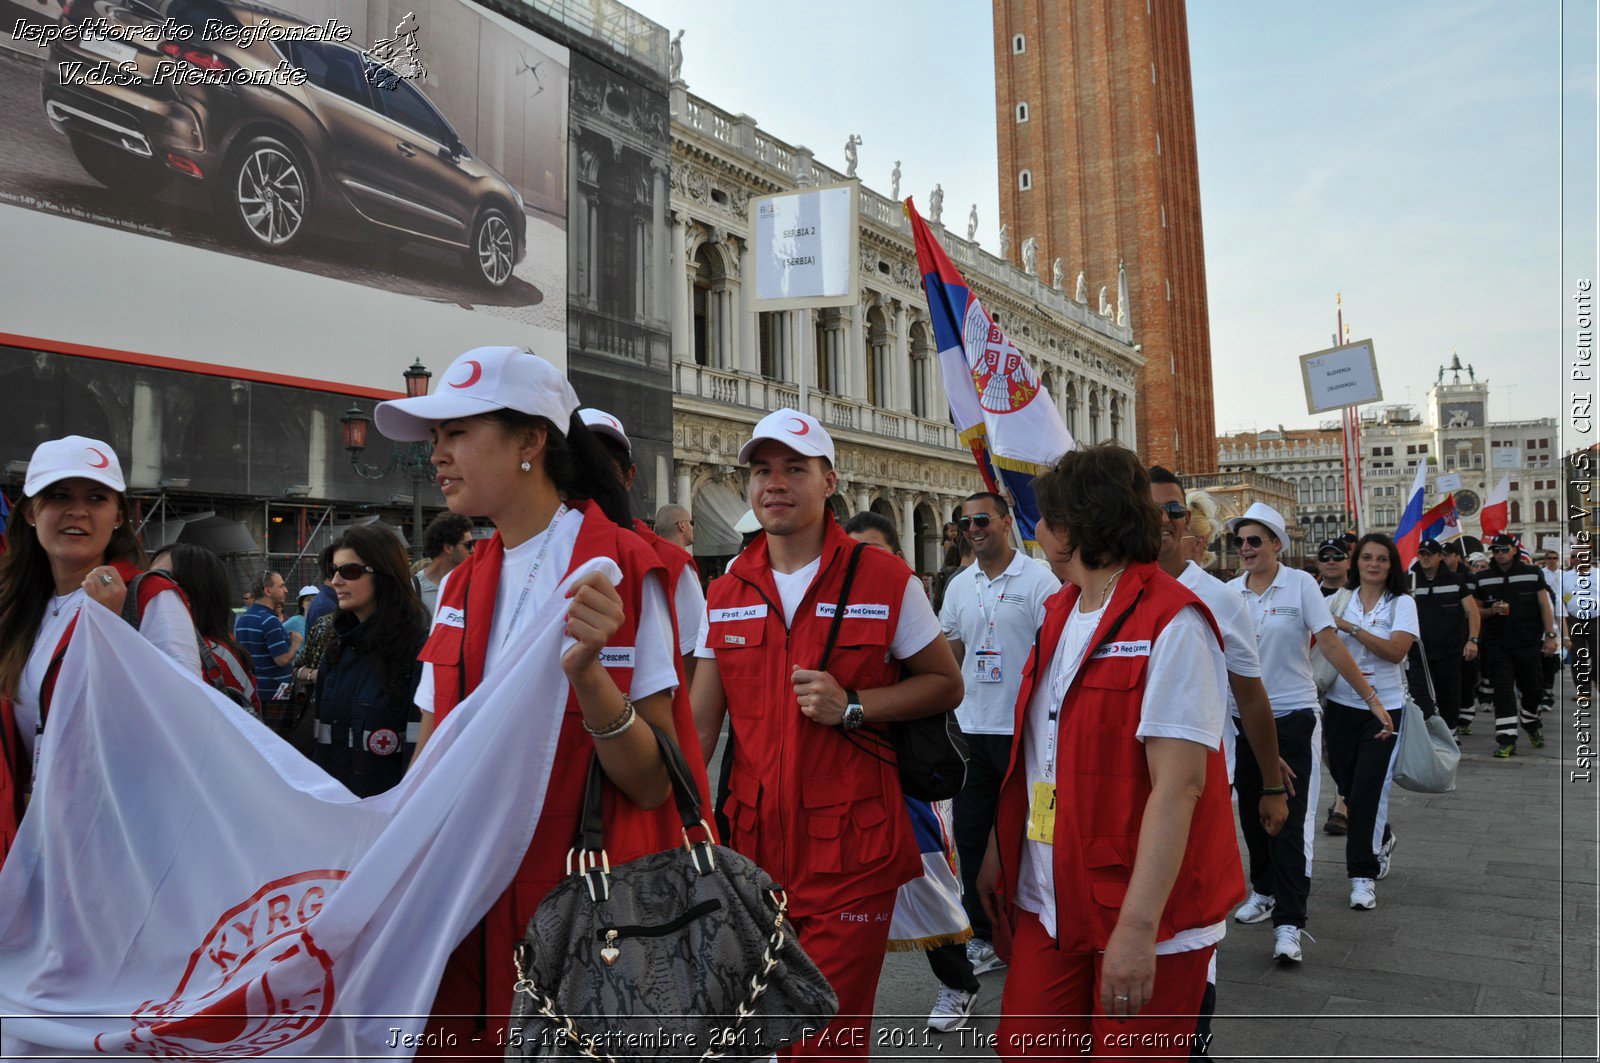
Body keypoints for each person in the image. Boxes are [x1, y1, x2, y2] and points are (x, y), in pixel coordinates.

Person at [374, 345, 688, 1049]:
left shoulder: (627, 567)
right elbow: (430, 757)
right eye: (435, 437)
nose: (438, 455)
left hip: (576, 921)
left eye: (457, 432)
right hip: (458, 911)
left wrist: (590, 676)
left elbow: (653, 781)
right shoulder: (458, 584)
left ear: (531, 440)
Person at [690, 408, 963, 1060]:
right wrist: (683, 827)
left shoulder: (885, 577)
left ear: (829, 479)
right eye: (761, 470)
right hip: (755, 856)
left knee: (823, 1039)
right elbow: (700, 727)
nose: (774, 483)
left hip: (854, 853)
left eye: (793, 468)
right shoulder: (726, 589)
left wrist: (855, 705)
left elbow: (944, 684)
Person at [976, 443, 1243, 1060]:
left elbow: (1180, 787)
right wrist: (1002, 846)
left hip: (1148, 912)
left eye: (1042, 518)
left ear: (1074, 529)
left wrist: (1137, 927)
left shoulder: (1174, 623)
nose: (1034, 531)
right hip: (1053, 897)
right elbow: (1043, 752)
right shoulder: (1059, 611)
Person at [0, 437, 203, 866]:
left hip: (115, 849)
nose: (77, 511)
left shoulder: (148, 598)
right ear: (32, 512)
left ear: (117, 518)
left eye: (96, 497)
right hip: (30, 844)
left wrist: (109, 633)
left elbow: (185, 731)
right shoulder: (17, 610)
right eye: (58, 496)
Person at [1224, 502, 1382, 963]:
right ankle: (1265, 890)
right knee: (1253, 816)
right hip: (1242, 721)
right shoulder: (1231, 592)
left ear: (1277, 543)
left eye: (1255, 540)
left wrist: (1370, 698)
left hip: (1292, 716)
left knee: (1290, 821)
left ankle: (1290, 923)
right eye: (1240, 542)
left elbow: (1329, 643)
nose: (1246, 548)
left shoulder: (1301, 585)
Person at [843, 510, 979, 1033]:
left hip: (904, 768)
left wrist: (857, 704)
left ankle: (958, 981)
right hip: (841, 774)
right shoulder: (828, 607)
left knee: (925, 878)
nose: (861, 563)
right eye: (851, 552)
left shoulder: (906, 601)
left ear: (896, 556)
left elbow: (940, 683)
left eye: (872, 551)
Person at [937, 491, 1059, 985]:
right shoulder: (959, 585)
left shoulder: (1040, 580)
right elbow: (952, 654)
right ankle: (984, 935)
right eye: (965, 522)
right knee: (970, 833)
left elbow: (1052, 656)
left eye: (983, 519)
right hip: (971, 729)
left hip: (1023, 731)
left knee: (1032, 832)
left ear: (1007, 523)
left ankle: (1036, 923)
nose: (974, 528)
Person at [1324, 533, 1418, 910]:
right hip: (1340, 705)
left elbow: (1396, 652)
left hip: (1385, 708)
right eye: (1367, 558)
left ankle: (1361, 875)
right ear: (1356, 563)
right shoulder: (1337, 600)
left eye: (1382, 558)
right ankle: (1382, 835)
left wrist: (1350, 629)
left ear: (1391, 565)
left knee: (1365, 792)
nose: (1374, 564)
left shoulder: (1402, 603)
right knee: (1347, 784)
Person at [581, 408, 705, 686]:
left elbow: (691, 670)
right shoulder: (545, 555)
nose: (591, 483)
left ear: (629, 477)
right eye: (578, 469)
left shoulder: (671, 563)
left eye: (604, 470)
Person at [306, 524, 429, 796]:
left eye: (350, 571)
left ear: (385, 575)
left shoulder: (419, 651)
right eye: (332, 571)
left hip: (388, 816)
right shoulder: (335, 651)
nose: (335, 581)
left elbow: (421, 751)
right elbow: (323, 745)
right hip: (336, 809)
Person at [1473, 533, 1558, 757]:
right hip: (1497, 644)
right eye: (1495, 550)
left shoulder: (1532, 573)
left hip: (1528, 643)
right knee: (1503, 691)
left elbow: (1544, 606)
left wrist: (1551, 635)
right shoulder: (1483, 577)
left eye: (1504, 549)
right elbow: (1475, 610)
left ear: (1514, 550)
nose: (1499, 554)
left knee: (1532, 689)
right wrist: (1490, 611)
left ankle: (1531, 724)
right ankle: (1506, 738)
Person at [152, 542, 260, 715]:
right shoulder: (154, 640)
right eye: (149, 575)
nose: (150, 584)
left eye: (164, 578)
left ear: (196, 590)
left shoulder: (217, 657)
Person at [1409, 538, 1480, 735]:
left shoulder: (1456, 580)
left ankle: (1450, 734)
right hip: (1418, 653)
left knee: (1449, 695)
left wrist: (1472, 640)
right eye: (1421, 554)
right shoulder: (1411, 581)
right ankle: (1427, 737)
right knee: (1420, 696)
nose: (1424, 558)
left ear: (1439, 557)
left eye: (1429, 554)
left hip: (1449, 652)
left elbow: (1473, 612)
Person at [234, 570, 301, 733]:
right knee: (280, 740)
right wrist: (295, 643)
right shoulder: (270, 621)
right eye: (282, 586)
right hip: (277, 692)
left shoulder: (243, 618)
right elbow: (282, 660)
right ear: (267, 590)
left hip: (255, 691)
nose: (286, 590)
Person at [414, 512, 474, 616]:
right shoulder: (413, 589)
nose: (473, 550)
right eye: (468, 545)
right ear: (448, 547)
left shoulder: (473, 585)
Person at [1539, 549, 1565, 709]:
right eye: (1549, 558)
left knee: (1551, 663)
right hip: (1543, 608)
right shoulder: (1541, 573)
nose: (1552, 560)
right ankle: (1541, 693)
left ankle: (1547, 692)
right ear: (1545, 559)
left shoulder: (1564, 574)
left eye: (1555, 558)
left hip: (1558, 608)